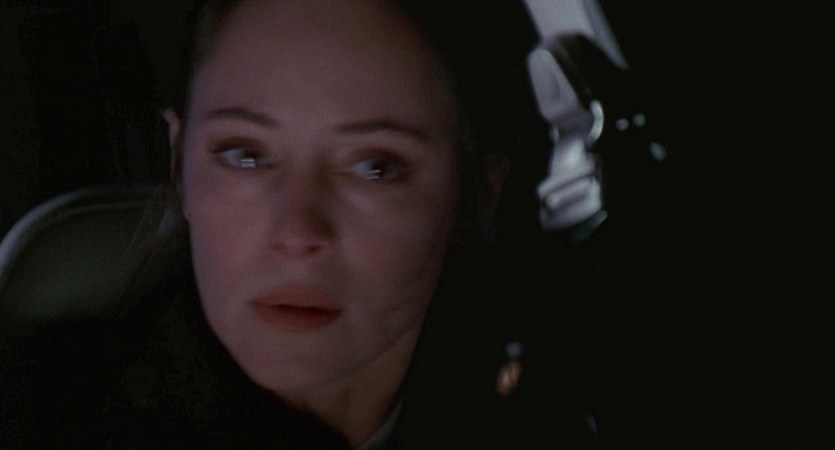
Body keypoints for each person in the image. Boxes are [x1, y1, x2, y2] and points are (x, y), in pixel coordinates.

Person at [1, 0, 604, 448]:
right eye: (244, 155)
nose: (297, 232)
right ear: (179, 167)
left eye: (375, 166)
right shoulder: (45, 419)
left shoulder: (560, 408)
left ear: (475, 196)